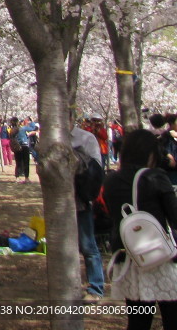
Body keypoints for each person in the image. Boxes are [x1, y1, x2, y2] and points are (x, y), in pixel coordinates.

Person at [103, 128, 177, 329]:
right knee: (173, 317)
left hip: (128, 258)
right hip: (158, 257)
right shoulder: (155, 177)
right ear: (150, 154)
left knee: (138, 322)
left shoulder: (111, 180)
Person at [72, 121, 105, 301]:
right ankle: (69, 285)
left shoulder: (85, 138)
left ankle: (96, 287)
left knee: (88, 245)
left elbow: (96, 170)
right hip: (60, 203)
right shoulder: (50, 137)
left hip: (81, 201)